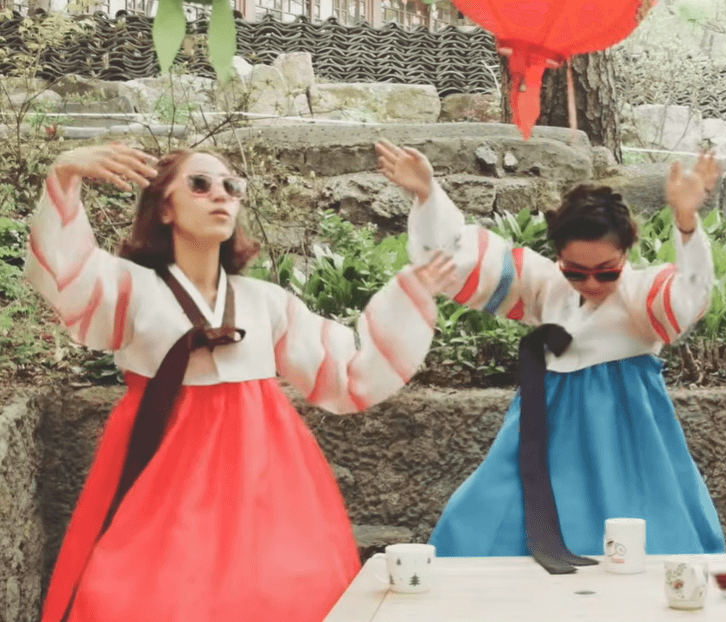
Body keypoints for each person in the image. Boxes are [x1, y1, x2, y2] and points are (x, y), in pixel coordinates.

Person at [28, 143, 456, 622]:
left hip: (263, 477)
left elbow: (349, 373)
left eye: (231, 186)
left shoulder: (266, 302)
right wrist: (65, 174)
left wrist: (419, 265)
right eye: (200, 184)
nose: (220, 195)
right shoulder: (130, 288)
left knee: (289, 594)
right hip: (160, 475)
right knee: (129, 599)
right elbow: (66, 276)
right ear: (165, 208)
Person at [375, 139, 726, 570]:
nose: (591, 284)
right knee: (484, 518)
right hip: (542, 425)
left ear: (626, 255)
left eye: (606, 272)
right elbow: (458, 263)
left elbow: (688, 297)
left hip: (624, 432)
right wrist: (428, 196)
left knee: (642, 534)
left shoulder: (641, 297)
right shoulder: (544, 286)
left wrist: (686, 222)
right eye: (576, 271)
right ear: (558, 258)